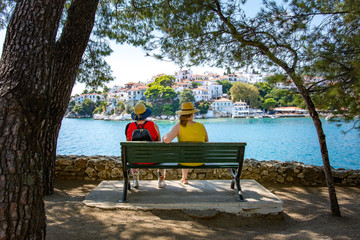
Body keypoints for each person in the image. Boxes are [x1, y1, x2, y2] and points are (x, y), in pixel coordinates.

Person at [163, 102, 209, 184]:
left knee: (184, 153)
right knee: (186, 152)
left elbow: (166, 140)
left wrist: (165, 136)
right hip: (200, 160)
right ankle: (184, 178)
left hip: (184, 161)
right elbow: (206, 141)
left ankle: (184, 178)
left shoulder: (179, 126)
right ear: (192, 114)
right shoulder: (201, 126)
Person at [125, 102, 166, 188]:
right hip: (152, 159)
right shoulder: (153, 125)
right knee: (162, 155)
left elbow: (129, 145)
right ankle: (161, 181)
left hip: (135, 160)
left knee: (134, 153)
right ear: (146, 114)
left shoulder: (129, 127)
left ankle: (135, 181)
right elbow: (158, 143)